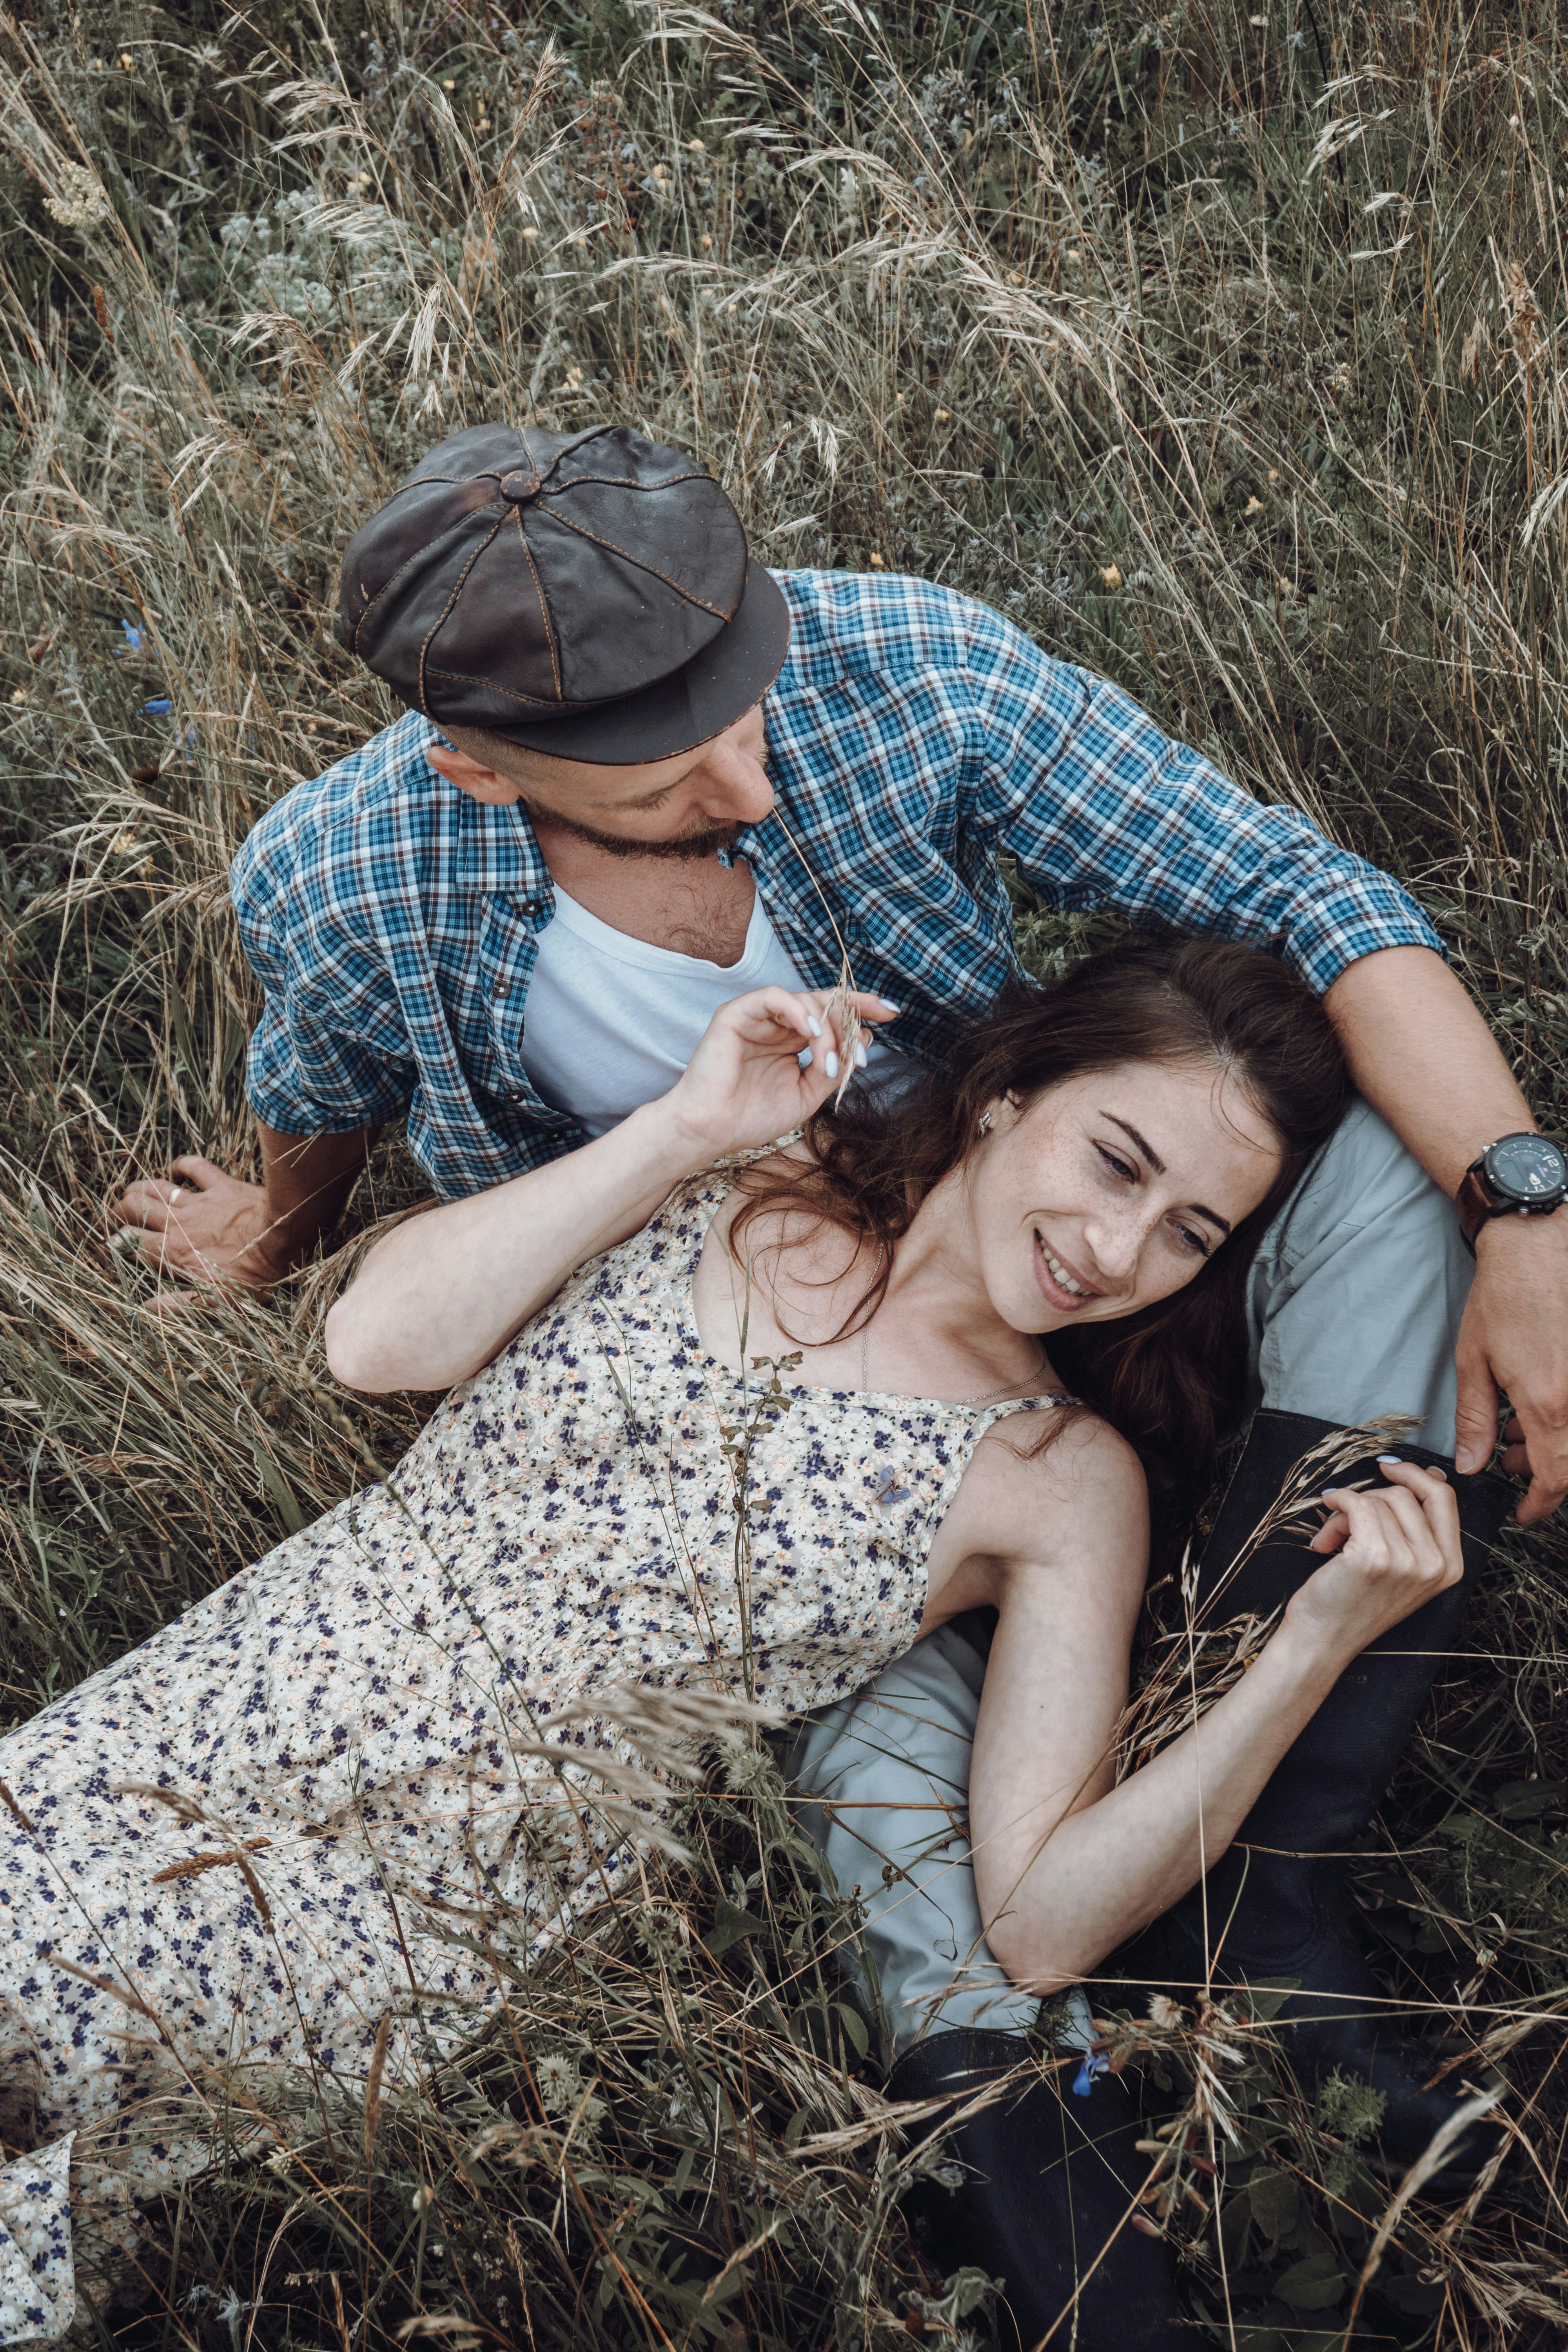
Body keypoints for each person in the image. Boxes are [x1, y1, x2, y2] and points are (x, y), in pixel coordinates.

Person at [109, 424, 1560, 2315]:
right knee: (894, 1798)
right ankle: (1045, 2189)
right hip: (794, 1435)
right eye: (673, 770)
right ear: (478, 767)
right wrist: (269, 1231)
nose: (756, 771)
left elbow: (1314, 899)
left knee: (1385, 1172)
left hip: (1053, 1249)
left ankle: (1262, 1891)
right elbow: (326, 1088)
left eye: (746, 688)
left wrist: (1528, 1218)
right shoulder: (348, 874)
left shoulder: (914, 671)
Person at [2, 937, 1459, 2352]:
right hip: (225, 1704)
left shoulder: (1057, 1474)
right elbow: (374, 1342)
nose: (1118, 1251)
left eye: (1190, 1234)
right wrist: (685, 1123)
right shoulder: (747, 1175)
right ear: (1014, 1087)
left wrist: (1312, 1646)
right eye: (1118, 1163)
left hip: (418, 1885)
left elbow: (1040, 1922)